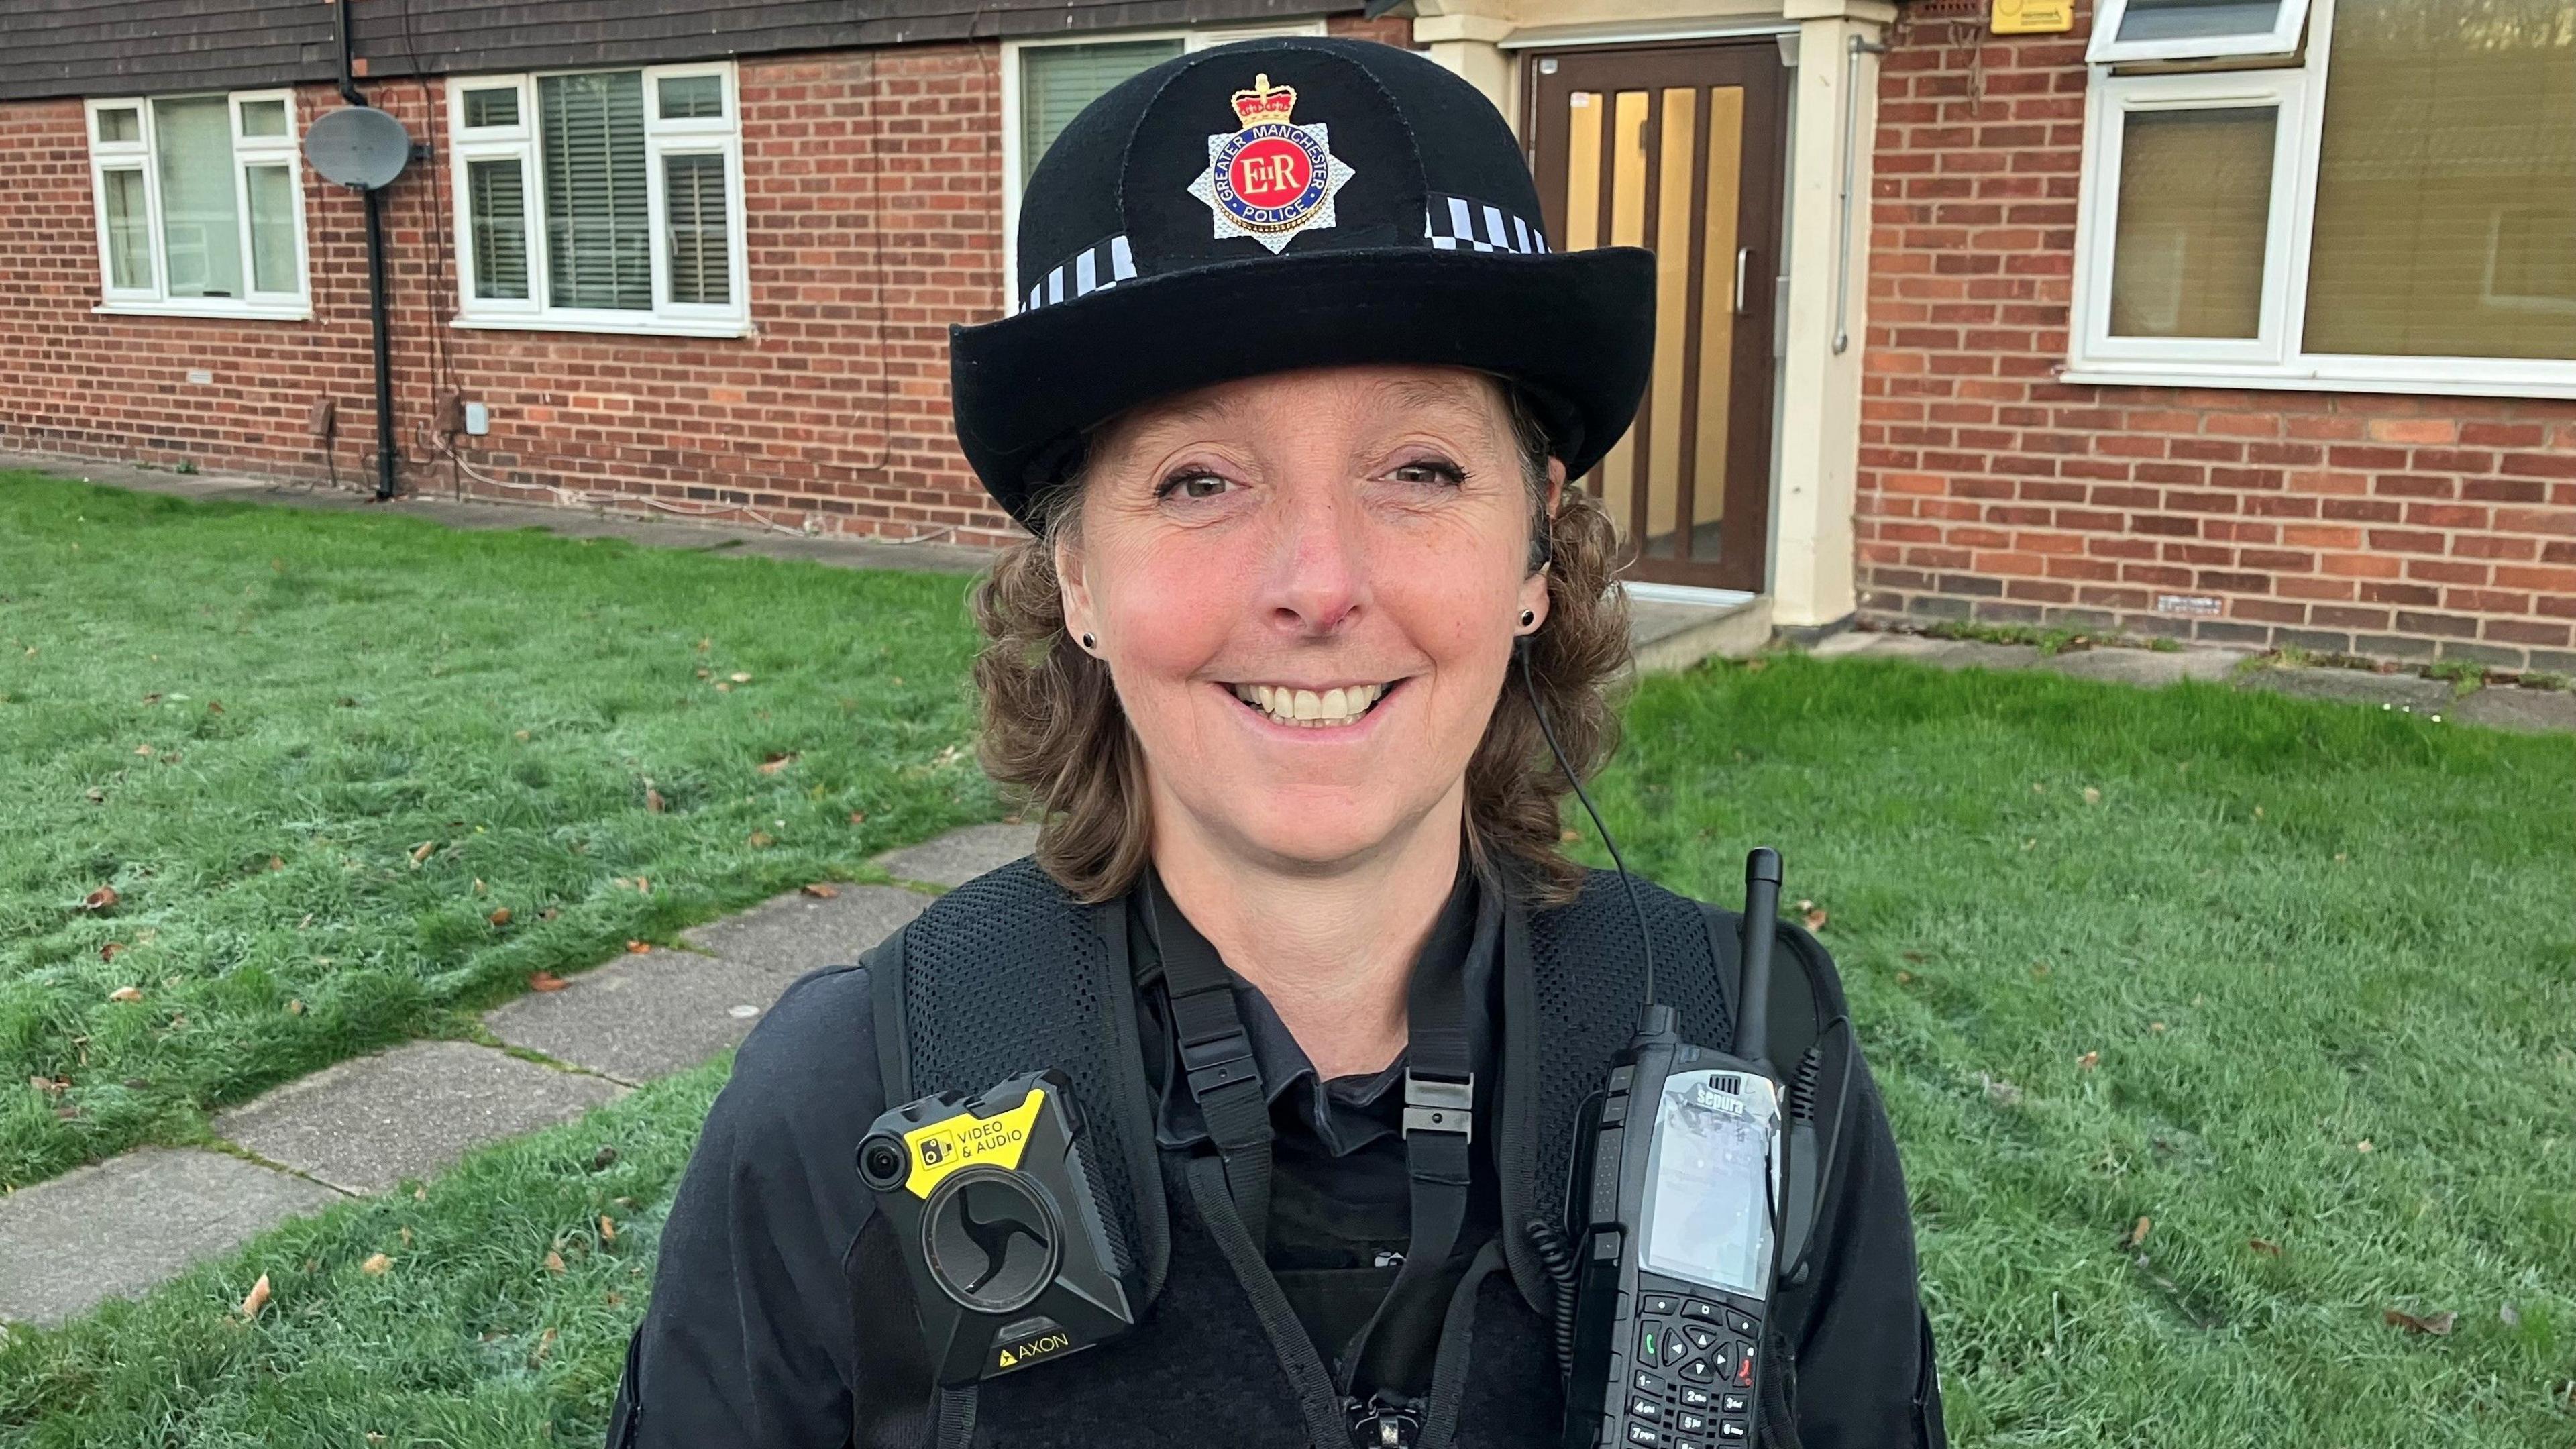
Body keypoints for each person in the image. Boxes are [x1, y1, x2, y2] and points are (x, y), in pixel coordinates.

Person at [608, 36, 1943, 1449]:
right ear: (1076, 579)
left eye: (1419, 469)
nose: (1317, 583)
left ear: (1538, 551)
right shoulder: (843, 1099)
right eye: (1199, 479)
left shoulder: (1762, 1058)